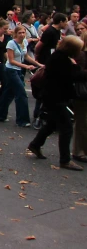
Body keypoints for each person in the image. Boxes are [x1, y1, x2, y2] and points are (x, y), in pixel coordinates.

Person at [27, 36, 87, 171]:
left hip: (53, 96)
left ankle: (35, 144)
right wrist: (76, 66)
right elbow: (76, 76)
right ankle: (65, 160)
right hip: (55, 97)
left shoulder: (58, 56)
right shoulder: (62, 60)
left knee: (52, 123)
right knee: (66, 127)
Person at [0, 25, 42, 127]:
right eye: (20, 33)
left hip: (18, 70)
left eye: (23, 32)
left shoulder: (24, 42)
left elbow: (26, 56)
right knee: (21, 93)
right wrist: (26, 66)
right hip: (11, 70)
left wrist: (38, 64)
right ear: (16, 34)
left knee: (8, 93)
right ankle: (22, 120)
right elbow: (11, 61)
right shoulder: (11, 43)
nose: (22, 35)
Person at [72, 31, 87, 163]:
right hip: (82, 93)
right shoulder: (81, 55)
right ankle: (78, 151)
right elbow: (77, 74)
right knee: (82, 122)